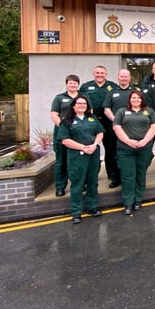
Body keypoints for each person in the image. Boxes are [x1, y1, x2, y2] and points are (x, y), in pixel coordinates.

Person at [55, 95, 104, 224]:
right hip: (77, 156)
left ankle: (92, 207)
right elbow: (65, 140)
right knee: (77, 184)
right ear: (73, 106)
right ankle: (76, 212)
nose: (82, 105)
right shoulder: (67, 121)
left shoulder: (92, 119)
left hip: (93, 154)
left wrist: (95, 145)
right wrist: (83, 147)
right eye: (79, 103)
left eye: (84, 104)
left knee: (92, 181)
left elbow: (100, 133)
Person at [113, 90, 155, 216]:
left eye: (138, 98)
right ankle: (128, 203)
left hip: (144, 148)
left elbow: (153, 127)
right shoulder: (122, 111)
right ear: (130, 99)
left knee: (140, 174)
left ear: (142, 99)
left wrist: (144, 141)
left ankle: (138, 200)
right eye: (133, 98)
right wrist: (128, 141)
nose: (136, 100)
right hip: (126, 149)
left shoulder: (149, 111)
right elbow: (117, 127)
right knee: (128, 176)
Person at [80, 65, 120, 188]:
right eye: (97, 73)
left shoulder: (113, 86)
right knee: (90, 148)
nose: (100, 75)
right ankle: (88, 179)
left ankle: (113, 175)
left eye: (102, 73)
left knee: (111, 149)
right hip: (92, 121)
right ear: (93, 74)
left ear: (106, 74)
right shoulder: (86, 87)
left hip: (108, 121)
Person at [102, 68, 138, 187]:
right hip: (114, 128)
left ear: (129, 78)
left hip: (131, 128)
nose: (123, 78)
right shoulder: (111, 92)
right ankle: (115, 177)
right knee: (112, 151)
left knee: (130, 151)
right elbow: (106, 109)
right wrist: (116, 121)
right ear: (118, 77)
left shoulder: (135, 92)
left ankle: (131, 175)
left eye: (126, 76)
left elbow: (142, 108)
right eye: (121, 76)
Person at [50, 74, 80, 197]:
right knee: (61, 161)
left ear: (78, 84)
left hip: (78, 133)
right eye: (70, 83)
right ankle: (60, 186)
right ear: (66, 84)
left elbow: (89, 112)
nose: (72, 85)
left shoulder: (83, 97)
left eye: (75, 83)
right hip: (63, 133)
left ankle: (79, 184)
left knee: (78, 161)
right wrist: (63, 127)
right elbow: (54, 114)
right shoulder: (59, 98)